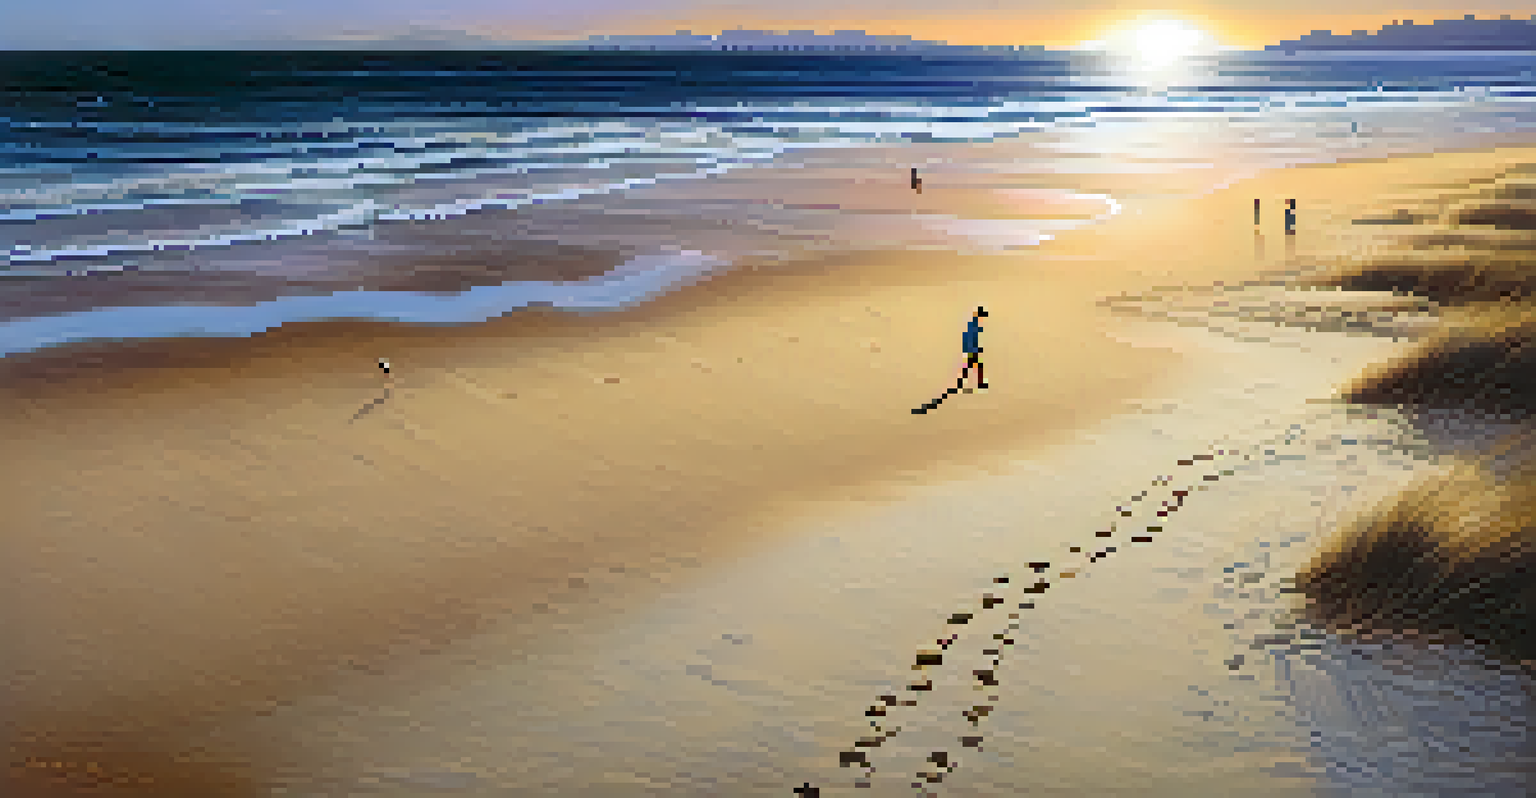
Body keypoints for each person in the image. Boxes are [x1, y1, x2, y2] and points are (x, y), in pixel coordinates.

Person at [958, 307, 987, 392]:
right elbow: (971, 338)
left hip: (971, 349)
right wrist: (975, 348)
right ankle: (979, 383)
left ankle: (962, 382)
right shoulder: (974, 325)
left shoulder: (973, 324)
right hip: (972, 350)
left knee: (969, 366)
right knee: (974, 366)